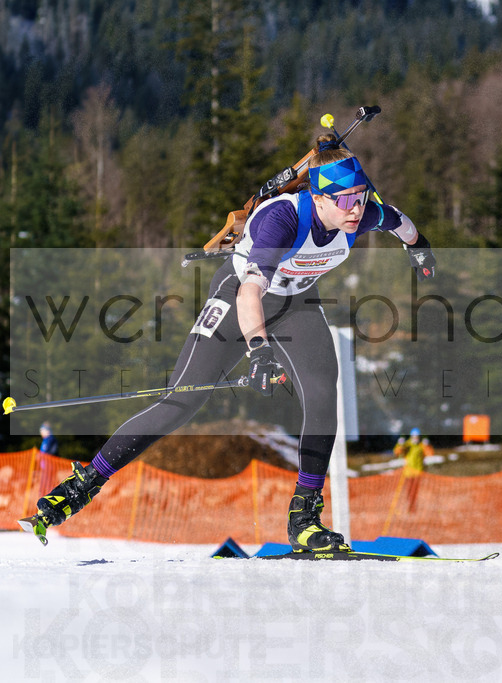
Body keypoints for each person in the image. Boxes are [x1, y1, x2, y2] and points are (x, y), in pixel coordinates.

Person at [29, 133, 436, 552]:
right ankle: (81, 486)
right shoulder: (281, 221)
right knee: (180, 401)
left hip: (295, 301)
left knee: (320, 393)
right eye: (346, 200)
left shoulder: (363, 214)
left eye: (362, 196)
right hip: (237, 296)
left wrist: (419, 247)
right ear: (319, 198)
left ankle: (305, 519)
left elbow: (399, 221)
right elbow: (249, 294)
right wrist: (258, 351)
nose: (357, 208)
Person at [393, 427, 434, 511]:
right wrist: (400, 444)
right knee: (409, 490)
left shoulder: (421, 446)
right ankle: (410, 505)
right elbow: (397, 452)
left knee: (415, 490)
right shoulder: (408, 445)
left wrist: (427, 445)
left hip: (418, 472)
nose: (416, 438)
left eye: (417, 436)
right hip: (408, 472)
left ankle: (413, 505)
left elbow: (430, 453)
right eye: (414, 436)